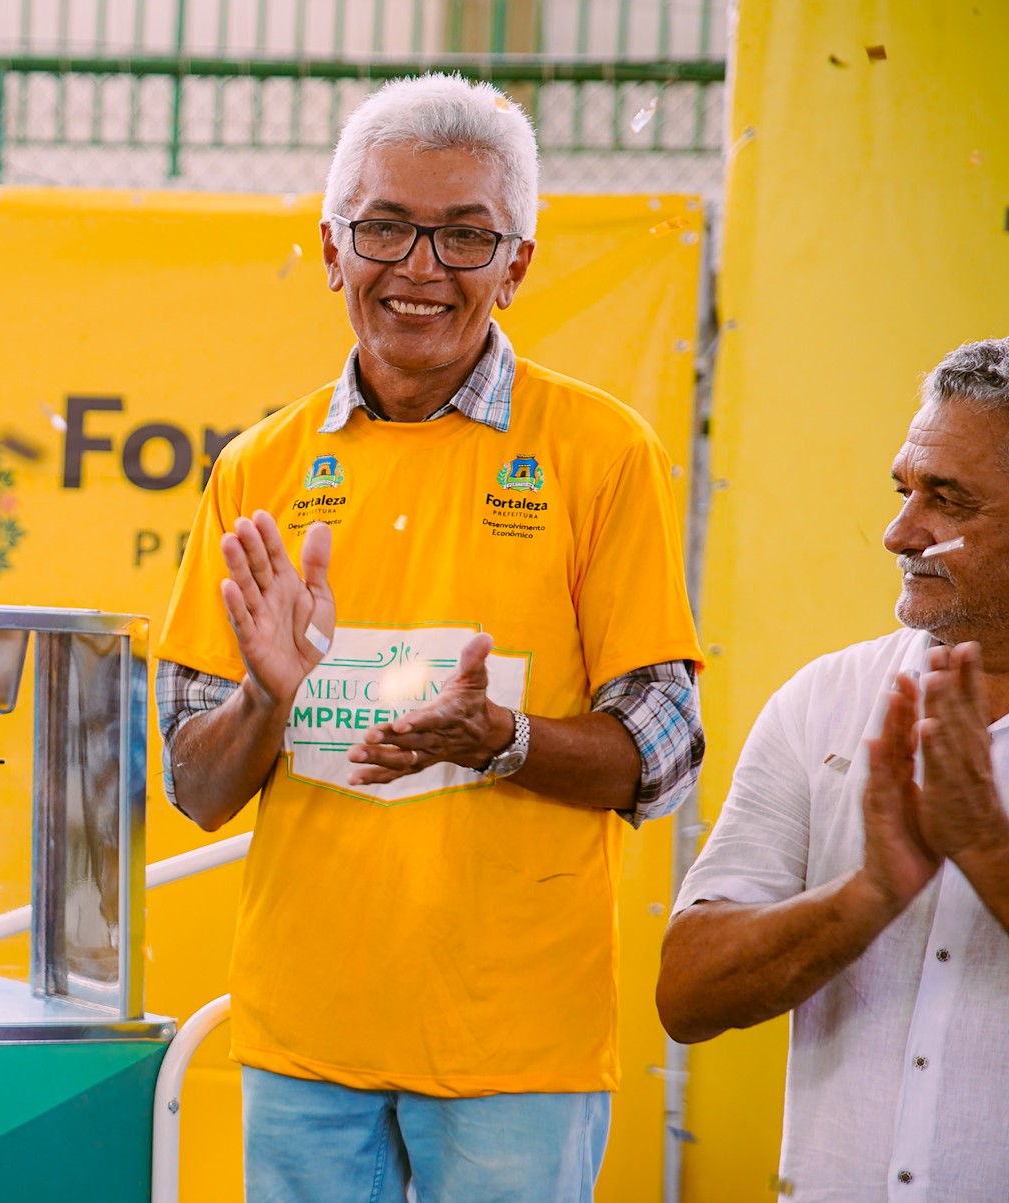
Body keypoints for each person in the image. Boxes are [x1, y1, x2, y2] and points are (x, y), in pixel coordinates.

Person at [154, 73, 704, 1203]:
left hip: (517, 1043)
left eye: (464, 237)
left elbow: (662, 756)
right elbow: (194, 790)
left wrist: (496, 740)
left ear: (516, 265)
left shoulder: (599, 453)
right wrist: (263, 699)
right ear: (329, 246)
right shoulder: (255, 468)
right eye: (384, 227)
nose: (417, 269)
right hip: (301, 1038)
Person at [658, 339, 1009, 1201]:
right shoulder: (824, 700)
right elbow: (688, 992)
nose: (899, 531)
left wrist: (985, 850)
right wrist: (866, 897)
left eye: (948, 499)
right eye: (905, 491)